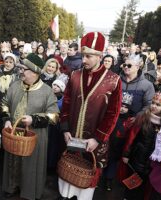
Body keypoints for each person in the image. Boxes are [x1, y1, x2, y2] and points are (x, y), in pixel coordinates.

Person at [58, 32, 122, 200]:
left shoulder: (114, 80)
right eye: (83, 55)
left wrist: (98, 139)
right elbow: (66, 103)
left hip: (93, 142)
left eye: (88, 56)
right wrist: (64, 129)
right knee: (67, 174)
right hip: (71, 137)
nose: (83, 60)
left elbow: (113, 113)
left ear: (99, 55)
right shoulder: (75, 75)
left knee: (86, 183)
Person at [1, 53, 59, 200]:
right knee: (12, 161)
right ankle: (12, 186)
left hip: (35, 138)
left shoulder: (47, 91)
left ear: (34, 72)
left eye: (24, 69)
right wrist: (6, 119)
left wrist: (34, 119)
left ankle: (28, 191)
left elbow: (55, 116)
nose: (20, 71)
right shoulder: (15, 85)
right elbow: (4, 103)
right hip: (14, 136)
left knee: (30, 165)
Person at [121, 92, 161, 200]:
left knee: (146, 186)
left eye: (158, 104)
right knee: (132, 182)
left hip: (153, 163)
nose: (153, 106)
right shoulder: (143, 118)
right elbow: (132, 137)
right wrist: (126, 154)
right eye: (153, 103)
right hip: (137, 158)